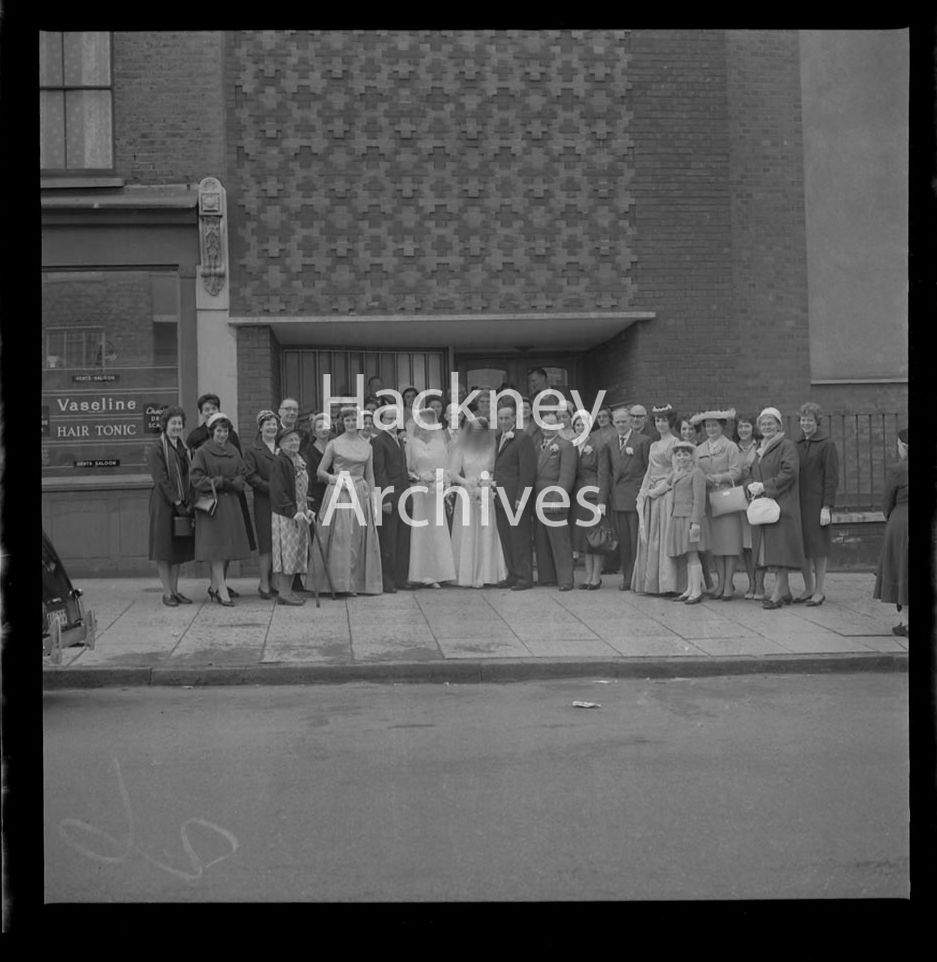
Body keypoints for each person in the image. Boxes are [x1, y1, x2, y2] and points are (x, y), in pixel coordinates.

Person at [311, 406, 383, 596]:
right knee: (340, 537)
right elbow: (320, 471)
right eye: (347, 420)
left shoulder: (368, 446)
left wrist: (374, 500)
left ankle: (354, 583)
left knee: (357, 537)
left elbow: (371, 476)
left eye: (354, 420)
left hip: (359, 492)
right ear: (342, 422)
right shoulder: (334, 444)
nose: (351, 423)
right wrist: (335, 479)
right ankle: (337, 583)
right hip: (339, 492)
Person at [186, 393, 254, 593]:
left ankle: (217, 586)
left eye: (225, 431)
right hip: (212, 505)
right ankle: (221, 590)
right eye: (219, 431)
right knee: (215, 549)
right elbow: (196, 477)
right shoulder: (202, 451)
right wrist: (218, 482)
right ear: (211, 432)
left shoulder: (233, 449)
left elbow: (242, 472)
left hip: (231, 503)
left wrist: (236, 483)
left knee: (227, 549)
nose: (222, 434)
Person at [747, 407, 805, 609]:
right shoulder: (761, 447)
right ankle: (786, 590)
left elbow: (790, 472)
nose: (766, 426)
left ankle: (778, 593)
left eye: (771, 423)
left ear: (779, 425)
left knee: (780, 549)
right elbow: (755, 471)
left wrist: (766, 486)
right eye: (763, 423)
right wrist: (753, 486)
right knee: (772, 548)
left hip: (782, 504)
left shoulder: (786, 446)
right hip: (767, 505)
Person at [448, 417, 507, 587]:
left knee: (486, 531)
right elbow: (453, 472)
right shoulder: (461, 448)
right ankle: (468, 574)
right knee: (468, 531)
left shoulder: (491, 448)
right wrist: (468, 483)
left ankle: (487, 573)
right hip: (467, 493)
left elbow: (495, 469)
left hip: (485, 492)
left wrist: (486, 482)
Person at [691, 408, 743, 600]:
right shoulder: (700, 449)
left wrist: (716, 478)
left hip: (726, 498)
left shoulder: (730, 447)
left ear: (722, 426)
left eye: (714, 425)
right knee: (716, 545)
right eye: (708, 426)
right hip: (708, 500)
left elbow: (737, 472)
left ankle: (728, 583)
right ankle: (720, 582)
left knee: (729, 543)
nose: (711, 429)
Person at [597, 405, 651, 590]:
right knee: (625, 544)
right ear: (613, 423)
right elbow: (604, 474)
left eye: (624, 421)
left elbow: (648, 471)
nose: (621, 424)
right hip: (618, 500)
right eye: (617, 421)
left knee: (638, 541)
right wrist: (601, 501)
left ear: (630, 422)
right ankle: (628, 578)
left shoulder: (643, 441)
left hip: (636, 499)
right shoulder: (609, 444)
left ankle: (641, 579)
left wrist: (644, 495)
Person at [146, 405, 195, 606]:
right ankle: (167, 593)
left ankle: (175, 591)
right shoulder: (157, 448)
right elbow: (161, 479)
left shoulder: (184, 449)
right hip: (164, 504)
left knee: (177, 550)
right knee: (164, 550)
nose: (176, 426)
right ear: (164, 425)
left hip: (182, 503)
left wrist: (187, 501)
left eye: (179, 423)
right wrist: (176, 501)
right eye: (173, 423)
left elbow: (188, 475)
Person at [404, 407, 456, 587]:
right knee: (420, 531)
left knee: (436, 530)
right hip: (418, 491)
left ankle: (439, 573)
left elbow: (446, 468)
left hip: (435, 492)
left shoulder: (439, 444)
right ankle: (420, 573)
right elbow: (407, 469)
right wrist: (419, 477)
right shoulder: (411, 443)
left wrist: (439, 479)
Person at [632, 404, 681, 595]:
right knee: (651, 538)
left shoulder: (675, 443)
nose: (661, 424)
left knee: (664, 536)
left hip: (667, 493)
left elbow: (677, 471)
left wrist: (660, 489)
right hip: (651, 493)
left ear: (671, 422)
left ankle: (668, 584)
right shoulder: (653, 445)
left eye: (664, 420)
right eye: (658, 420)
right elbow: (649, 471)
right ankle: (651, 583)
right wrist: (643, 492)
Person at [794, 402, 840, 606]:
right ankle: (808, 587)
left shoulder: (827, 444)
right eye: (803, 420)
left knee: (819, 549)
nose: (806, 423)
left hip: (817, 504)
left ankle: (820, 590)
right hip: (799, 503)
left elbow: (831, 477)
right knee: (804, 548)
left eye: (809, 420)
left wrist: (827, 506)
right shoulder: (796, 444)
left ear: (817, 422)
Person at [493, 404, 537, 590]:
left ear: (514, 419)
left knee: (520, 538)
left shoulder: (523, 438)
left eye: (507, 418)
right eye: (501, 418)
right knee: (507, 538)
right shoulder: (498, 438)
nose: (503, 421)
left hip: (515, 498)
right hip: (500, 496)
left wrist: (522, 497)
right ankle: (512, 574)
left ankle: (524, 577)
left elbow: (527, 471)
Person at [532, 411, 576, 590]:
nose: (547, 428)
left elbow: (566, 475)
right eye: (544, 424)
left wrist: (558, 499)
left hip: (553, 497)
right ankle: (547, 576)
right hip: (538, 498)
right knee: (542, 541)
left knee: (560, 542)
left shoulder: (565, 446)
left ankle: (565, 579)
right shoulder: (537, 446)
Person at [269, 426, 313, 605]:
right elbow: (279, 491)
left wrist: (306, 508)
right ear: (280, 443)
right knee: (287, 554)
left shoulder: (298, 460)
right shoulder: (280, 462)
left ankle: (287, 591)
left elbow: (301, 489)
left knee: (295, 554)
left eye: (296, 439)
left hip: (299, 513)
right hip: (287, 515)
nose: (294, 443)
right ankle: (284, 592)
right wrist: (293, 512)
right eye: (290, 440)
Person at [371, 404, 413, 592]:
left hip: (405, 495)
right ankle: (388, 581)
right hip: (390, 498)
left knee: (403, 539)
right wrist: (385, 499)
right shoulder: (379, 441)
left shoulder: (399, 440)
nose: (394, 422)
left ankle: (401, 579)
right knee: (388, 539)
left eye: (396, 418)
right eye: (390, 418)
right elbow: (380, 472)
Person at [662, 440, 710, 604]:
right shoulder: (676, 472)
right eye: (678, 454)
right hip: (678, 516)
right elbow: (665, 485)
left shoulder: (696, 473)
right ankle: (689, 588)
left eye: (685, 454)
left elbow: (699, 499)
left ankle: (696, 590)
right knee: (687, 555)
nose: (682, 457)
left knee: (692, 553)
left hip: (690, 518)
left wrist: (695, 522)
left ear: (691, 456)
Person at [873, 429, 908, 636]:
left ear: (903, 447)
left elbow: (887, 502)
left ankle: (906, 622)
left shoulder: (898, 470)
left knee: (902, 570)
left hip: (901, 523)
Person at [243, 410, 279, 599]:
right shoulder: (253, 450)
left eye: (274, 424)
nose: (272, 427)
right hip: (264, 501)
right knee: (266, 542)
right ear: (260, 428)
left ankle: (276, 581)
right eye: (268, 425)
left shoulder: (282, 446)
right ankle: (264, 583)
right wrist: (270, 488)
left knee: (280, 541)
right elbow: (250, 475)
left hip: (282, 501)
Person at [734, 414, 764, 599]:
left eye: (747, 426)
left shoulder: (761, 446)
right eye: (740, 427)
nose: (743, 430)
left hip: (757, 497)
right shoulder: (733, 448)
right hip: (739, 499)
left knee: (757, 544)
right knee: (745, 545)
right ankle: (751, 582)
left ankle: (760, 585)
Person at [571, 413, 603, 589]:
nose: (580, 428)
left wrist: (602, 497)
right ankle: (588, 575)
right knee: (584, 538)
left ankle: (596, 576)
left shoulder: (596, 445)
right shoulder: (572, 445)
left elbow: (602, 471)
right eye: (577, 426)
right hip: (577, 495)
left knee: (595, 536)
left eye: (583, 425)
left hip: (592, 494)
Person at [300, 413, 332, 518]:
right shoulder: (308, 452)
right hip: (317, 497)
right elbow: (311, 476)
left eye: (326, 426)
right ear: (314, 432)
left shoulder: (336, 448)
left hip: (335, 495)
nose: (323, 429)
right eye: (320, 427)